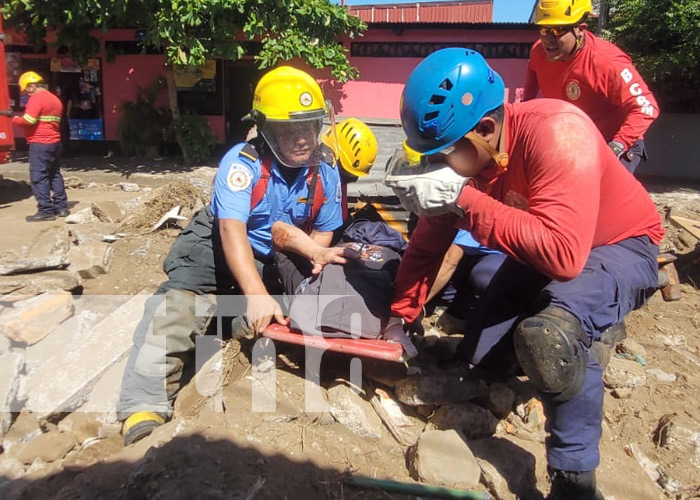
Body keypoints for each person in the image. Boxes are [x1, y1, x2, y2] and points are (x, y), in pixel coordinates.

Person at [384, 48, 663, 499]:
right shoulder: (475, 156)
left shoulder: (558, 131)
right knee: (480, 361)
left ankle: (574, 478)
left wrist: (466, 201)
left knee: (549, 337)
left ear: (486, 130)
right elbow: (428, 244)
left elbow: (565, 256)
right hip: (551, 244)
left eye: (442, 156)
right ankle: (579, 328)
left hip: (618, 246)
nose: (436, 167)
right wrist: (401, 316)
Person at [118, 66, 347, 445]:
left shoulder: (325, 172)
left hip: (271, 256)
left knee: (284, 313)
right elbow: (231, 230)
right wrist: (256, 293)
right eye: (290, 129)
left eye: (309, 127)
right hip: (215, 248)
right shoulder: (242, 164)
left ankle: (229, 321)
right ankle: (143, 405)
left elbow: (321, 235)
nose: (303, 138)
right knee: (177, 309)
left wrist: (304, 275)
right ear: (265, 129)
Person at [524, 0, 659, 173]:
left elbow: (646, 106)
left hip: (618, 141)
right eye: (544, 30)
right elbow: (527, 99)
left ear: (580, 29)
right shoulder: (538, 53)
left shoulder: (606, 61)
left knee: (606, 196)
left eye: (558, 30)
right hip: (575, 140)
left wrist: (617, 145)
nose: (548, 40)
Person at [13, 71, 68, 221]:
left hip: (40, 143)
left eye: (26, 90)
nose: (26, 93)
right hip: (55, 143)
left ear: (31, 86)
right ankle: (61, 207)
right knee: (55, 175)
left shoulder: (37, 99)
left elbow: (29, 120)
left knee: (38, 176)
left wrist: (15, 119)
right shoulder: (55, 99)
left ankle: (45, 210)